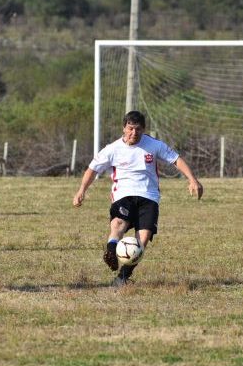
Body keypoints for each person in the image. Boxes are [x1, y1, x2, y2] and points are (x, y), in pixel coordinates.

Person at [73, 110, 203, 287]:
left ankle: (123, 277)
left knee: (142, 239)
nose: (134, 133)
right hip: (123, 195)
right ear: (124, 128)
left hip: (149, 197)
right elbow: (92, 169)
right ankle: (111, 250)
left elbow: (176, 160)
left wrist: (192, 179)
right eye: (131, 128)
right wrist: (81, 190)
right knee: (119, 224)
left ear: (144, 129)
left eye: (138, 129)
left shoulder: (154, 145)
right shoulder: (112, 149)